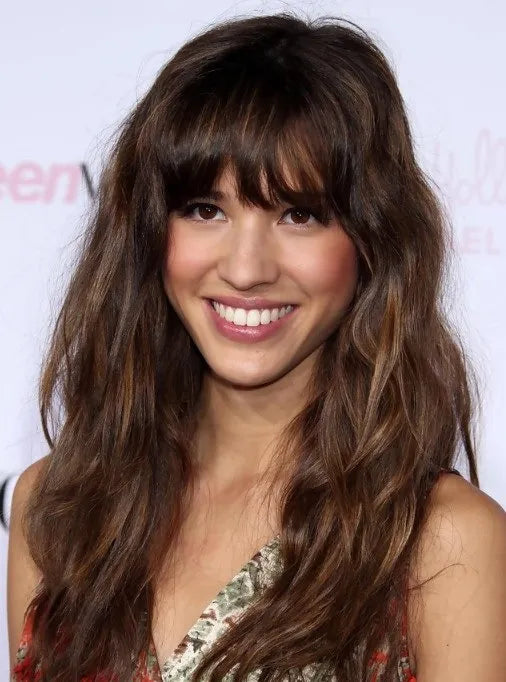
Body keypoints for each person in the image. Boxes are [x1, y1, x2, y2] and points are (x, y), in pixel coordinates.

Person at [7, 11, 506, 682]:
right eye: (205, 209)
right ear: (150, 231)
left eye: (299, 214)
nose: (245, 270)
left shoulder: (441, 542)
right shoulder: (59, 509)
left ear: (372, 242)